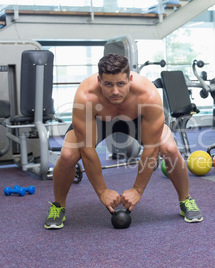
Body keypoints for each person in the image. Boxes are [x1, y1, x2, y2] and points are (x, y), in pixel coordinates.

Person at [44, 53, 203, 229]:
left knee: (170, 149)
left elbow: (151, 148)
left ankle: (185, 199)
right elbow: (87, 149)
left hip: (136, 120)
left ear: (130, 79)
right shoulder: (86, 96)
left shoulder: (148, 95)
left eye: (121, 84)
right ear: (99, 80)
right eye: (108, 85)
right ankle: (58, 205)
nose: (115, 91)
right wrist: (102, 191)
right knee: (67, 155)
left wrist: (137, 190)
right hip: (98, 121)